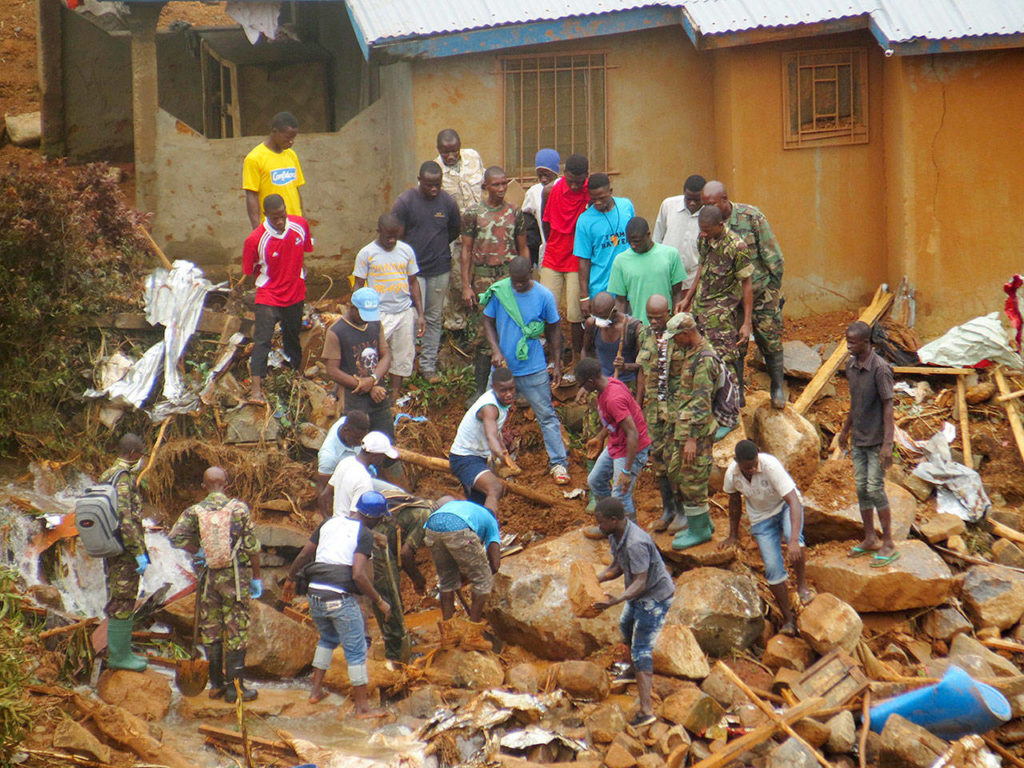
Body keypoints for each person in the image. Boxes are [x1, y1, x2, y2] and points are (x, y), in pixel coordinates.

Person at [283, 490, 392, 713]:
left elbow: (305, 555)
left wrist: (290, 579)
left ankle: (315, 692)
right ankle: (362, 709)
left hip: (314, 594)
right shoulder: (364, 534)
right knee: (357, 649)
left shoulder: (329, 523)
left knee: (327, 638)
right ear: (373, 517)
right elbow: (358, 575)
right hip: (338, 597)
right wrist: (380, 601)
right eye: (380, 518)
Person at [169, 466, 262, 701]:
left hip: (208, 577)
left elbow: (174, 537)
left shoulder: (194, 511)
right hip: (235, 578)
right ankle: (235, 689)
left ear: (204, 486)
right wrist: (257, 577)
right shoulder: (239, 509)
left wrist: (197, 550)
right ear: (227, 484)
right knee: (236, 629)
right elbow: (251, 546)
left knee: (210, 629)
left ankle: (216, 684)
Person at [481, 257, 571, 485]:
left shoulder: (544, 296)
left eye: (522, 282)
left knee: (546, 415)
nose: (518, 286)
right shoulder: (501, 292)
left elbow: (553, 330)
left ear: (532, 274)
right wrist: (495, 350)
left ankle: (558, 463)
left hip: (533, 368)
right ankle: (494, 462)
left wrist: (557, 364)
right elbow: (488, 320)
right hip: (503, 370)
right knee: (492, 417)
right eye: (514, 282)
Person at [591, 497, 674, 728]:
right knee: (625, 626)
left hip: (654, 598)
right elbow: (617, 567)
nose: (599, 526)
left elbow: (641, 581)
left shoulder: (635, 543)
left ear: (615, 520)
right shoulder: (615, 535)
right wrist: (593, 580)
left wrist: (616, 599)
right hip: (637, 594)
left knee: (642, 650)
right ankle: (630, 671)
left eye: (601, 522)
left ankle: (646, 710)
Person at [703, 180, 787, 408]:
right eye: (704, 204)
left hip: (761, 292)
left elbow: (773, 256)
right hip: (731, 299)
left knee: (769, 338)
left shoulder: (751, 217)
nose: (706, 208)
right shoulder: (708, 223)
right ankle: (737, 389)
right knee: (735, 345)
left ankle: (777, 386)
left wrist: (772, 290)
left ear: (724, 199)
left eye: (710, 203)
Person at [720, 441, 811, 635]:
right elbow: (734, 502)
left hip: (785, 507)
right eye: (747, 467)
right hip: (761, 518)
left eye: (754, 464)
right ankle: (788, 619)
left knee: (794, 537)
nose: (752, 469)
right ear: (737, 462)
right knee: (772, 567)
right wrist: (733, 535)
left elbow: (793, 500)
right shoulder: (732, 475)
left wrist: (793, 540)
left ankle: (802, 586)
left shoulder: (770, 465)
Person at [460, 166, 530, 394]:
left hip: (510, 278)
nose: (501, 189)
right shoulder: (473, 214)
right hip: (483, 279)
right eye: (496, 185)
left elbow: (523, 248)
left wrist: (527, 278)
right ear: (485, 186)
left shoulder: (514, 212)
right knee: (481, 335)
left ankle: (514, 388)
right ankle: (480, 391)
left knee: (513, 330)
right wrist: (466, 286)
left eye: (503, 184)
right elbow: (466, 251)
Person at [391, 161, 462, 384]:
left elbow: (454, 230)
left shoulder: (448, 202)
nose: (434, 189)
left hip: (439, 269)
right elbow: (396, 235)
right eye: (429, 185)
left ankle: (428, 366)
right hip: (414, 272)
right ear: (420, 181)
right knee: (412, 318)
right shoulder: (406, 202)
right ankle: (406, 366)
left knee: (433, 317)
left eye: (438, 185)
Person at [242, 193, 314, 405]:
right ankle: (256, 390)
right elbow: (250, 269)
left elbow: (305, 251)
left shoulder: (300, 226)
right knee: (262, 340)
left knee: (292, 336)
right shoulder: (255, 240)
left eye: (282, 215)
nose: (280, 221)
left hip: (294, 292)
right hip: (269, 294)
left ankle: (296, 379)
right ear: (266, 216)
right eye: (275, 218)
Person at [838, 320, 898, 565]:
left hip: (876, 441)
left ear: (866, 342)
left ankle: (889, 543)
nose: (848, 346)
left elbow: (888, 406)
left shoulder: (880, 369)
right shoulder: (851, 366)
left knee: (875, 488)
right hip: (859, 439)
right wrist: (844, 431)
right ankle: (870, 537)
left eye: (852, 342)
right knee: (861, 488)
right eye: (847, 341)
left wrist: (887, 444)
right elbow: (855, 403)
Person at [681, 205, 752, 401]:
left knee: (725, 358)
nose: (703, 234)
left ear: (720, 225)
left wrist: (746, 323)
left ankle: (733, 403)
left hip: (721, 312)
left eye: (707, 229)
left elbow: (747, 284)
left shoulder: (737, 247)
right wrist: (688, 298)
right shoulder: (704, 239)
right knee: (698, 356)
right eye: (700, 229)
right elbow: (702, 267)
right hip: (700, 307)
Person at [664, 312, 721, 551]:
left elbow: (701, 402)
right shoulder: (692, 352)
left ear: (686, 334)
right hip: (685, 427)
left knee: (693, 479)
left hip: (695, 432)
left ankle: (699, 532)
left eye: (676, 337)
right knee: (682, 473)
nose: (674, 341)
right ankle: (703, 523)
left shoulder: (704, 359)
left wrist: (692, 440)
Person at [353, 213, 425, 402]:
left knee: (402, 353)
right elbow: (358, 284)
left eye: (395, 236)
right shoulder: (366, 253)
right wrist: (357, 311)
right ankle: (371, 387)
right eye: (388, 236)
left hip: (403, 311)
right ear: (379, 232)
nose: (392, 240)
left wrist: (420, 313)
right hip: (378, 313)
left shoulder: (406, 251)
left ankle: (395, 393)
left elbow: (414, 282)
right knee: (370, 352)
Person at [576, 358, 651, 527]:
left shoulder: (613, 398)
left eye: (582, 384)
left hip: (632, 449)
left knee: (621, 494)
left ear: (590, 381)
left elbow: (633, 433)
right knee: (595, 480)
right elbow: (615, 422)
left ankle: (630, 534)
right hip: (617, 444)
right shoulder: (605, 387)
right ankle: (611, 522)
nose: (581, 388)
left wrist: (626, 471)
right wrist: (600, 437)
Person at [99, 433, 150, 671]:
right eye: (140, 454)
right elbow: (126, 518)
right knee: (124, 599)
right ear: (132, 453)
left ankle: (121, 651)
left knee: (117, 596)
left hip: (110, 546)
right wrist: (137, 550)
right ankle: (120, 657)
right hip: (123, 549)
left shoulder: (106, 474)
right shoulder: (123, 477)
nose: (141, 459)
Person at [424, 496, 501, 651]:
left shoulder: (466, 508)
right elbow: (495, 565)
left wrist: (464, 577)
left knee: (447, 580)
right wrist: (476, 577)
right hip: (458, 527)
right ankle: (473, 635)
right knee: (483, 578)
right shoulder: (491, 522)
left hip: (431, 526)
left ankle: (448, 635)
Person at [366, 481, 432, 661]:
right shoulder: (426, 515)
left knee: (385, 600)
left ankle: (395, 647)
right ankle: (398, 657)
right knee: (391, 600)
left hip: (370, 542)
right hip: (377, 547)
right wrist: (418, 579)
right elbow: (406, 553)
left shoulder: (416, 504)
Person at [635, 296, 683, 533]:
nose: (653, 321)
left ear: (669, 313)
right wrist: (639, 401)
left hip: (675, 410)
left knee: (677, 461)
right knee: (659, 461)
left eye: (657, 317)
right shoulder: (644, 335)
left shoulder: (680, 336)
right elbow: (643, 372)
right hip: (653, 410)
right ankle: (668, 510)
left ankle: (683, 513)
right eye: (649, 316)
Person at [541, 153, 590, 367]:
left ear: (586, 177)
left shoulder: (590, 191)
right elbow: (546, 222)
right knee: (546, 306)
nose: (575, 186)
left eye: (580, 182)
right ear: (564, 175)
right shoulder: (551, 191)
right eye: (571, 181)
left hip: (576, 257)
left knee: (575, 310)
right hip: (553, 254)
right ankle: (555, 356)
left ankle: (578, 357)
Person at [323, 287, 393, 436]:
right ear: (352, 308)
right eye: (362, 314)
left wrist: (373, 380)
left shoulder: (375, 324)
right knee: (355, 445)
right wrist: (362, 385)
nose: (365, 319)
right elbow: (332, 370)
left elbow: (386, 354)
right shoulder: (337, 331)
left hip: (378, 397)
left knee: (386, 443)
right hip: (353, 401)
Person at [449, 366, 518, 514]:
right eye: (503, 390)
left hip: (478, 458)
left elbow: (497, 431)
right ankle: (490, 528)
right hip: (464, 458)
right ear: (493, 388)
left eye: (511, 389)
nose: (508, 394)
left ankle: (477, 534)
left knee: (478, 505)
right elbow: (491, 435)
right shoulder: (489, 407)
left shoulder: (500, 403)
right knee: (494, 488)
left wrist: (504, 453)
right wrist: (501, 457)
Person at [436, 129, 485, 332]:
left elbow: (484, 186)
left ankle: (481, 325)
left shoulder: (473, 157)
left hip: (482, 232)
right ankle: (457, 327)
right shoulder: (435, 170)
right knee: (457, 282)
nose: (450, 156)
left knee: (481, 277)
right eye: (445, 152)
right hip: (456, 236)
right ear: (438, 150)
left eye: (454, 151)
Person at [607, 217, 686, 326]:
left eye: (636, 241)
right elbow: (621, 301)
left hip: (666, 326)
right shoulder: (620, 261)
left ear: (648, 235)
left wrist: (676, 321)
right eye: (629, 242)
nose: (633, 245)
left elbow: (677, 293)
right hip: (638, 328)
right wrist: (622, 328)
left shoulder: (670, 254)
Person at [575, 173, 635, 314]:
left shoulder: (626, 206)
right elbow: (583, 261)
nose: (597, 203)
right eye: (593, 199)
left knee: (630, 330)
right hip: (602, 289)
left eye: (601, 198)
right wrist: (584, 297)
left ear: (610, 192)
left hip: (630, 285)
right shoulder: (584, 221)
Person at [243, 111, 303, 229]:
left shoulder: (291, 155)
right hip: (272, 226)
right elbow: (252, 196)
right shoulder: (254, 158)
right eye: (288, 137)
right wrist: (257, 229)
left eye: (293, 137)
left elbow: (296, 189)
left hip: (294, 224)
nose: (291, 141)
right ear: (275, 132)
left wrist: (302, 220)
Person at [328, 431, 399, 519]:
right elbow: (355, 517)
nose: (384, 460)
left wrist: (328, 521)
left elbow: (326, 494)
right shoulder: (364, 480)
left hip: (336, 520)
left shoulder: (345, 462)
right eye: (383, 456)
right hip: (347, 528)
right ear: (375, 456)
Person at [653, 174, 706, 291]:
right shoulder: (668, 205)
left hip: (693, 280)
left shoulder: (709, 214)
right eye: (688, 199)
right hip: (666, 277)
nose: (692, 203)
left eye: (697, 200)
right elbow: (657, 238)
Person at [581, 292, 643, 390]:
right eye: (596, 316)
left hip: (626, 384)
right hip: (600, 382)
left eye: (603, 317)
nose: (599, 320)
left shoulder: (633, 328)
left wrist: (625, 366)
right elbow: (585, 350)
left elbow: (642, 366)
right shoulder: (592, 324)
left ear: (614, 311)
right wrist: (585, 380)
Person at [315, 411, 371, 518]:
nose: (360, 443)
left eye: (362, 438)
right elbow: (324, 494)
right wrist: (328, 520)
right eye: (357, 438)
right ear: (346, 430)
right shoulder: (329, 457)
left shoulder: (349, 422)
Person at [521, 149, 560, 268]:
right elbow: (527, 220)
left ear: (556, 172)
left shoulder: (563, 187)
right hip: (547, 250)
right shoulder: (534, 192)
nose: (543, 179)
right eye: (540, 175)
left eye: (547, 175)